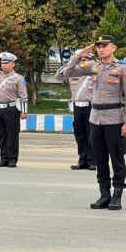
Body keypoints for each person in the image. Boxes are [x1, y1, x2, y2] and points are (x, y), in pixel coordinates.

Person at [62, 36, 126, 210]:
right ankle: (104, 195)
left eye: (104, 46)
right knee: (99, 158)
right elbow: (67, 73)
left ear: (113, 47)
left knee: (117, 158)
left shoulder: (121, 69)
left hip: (114, 119)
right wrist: (78, 55)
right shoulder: (93, 66)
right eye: (98, 46)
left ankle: (117, 195)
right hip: (95, 118)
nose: (101, 49)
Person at [0, 52, 28, 168]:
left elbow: (23, 96)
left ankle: (12, 159)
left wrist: (24, 112)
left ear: (13, 64)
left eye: (6, 63)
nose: (3, 65)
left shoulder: (18, 78)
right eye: (2, 63)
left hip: (11, 109)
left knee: (12, 135)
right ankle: (3, 158)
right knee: (1, 135)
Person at [54, 56, 95, 170]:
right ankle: (82, 160)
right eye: (80, 60)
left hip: (90, 107)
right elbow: (58, 76)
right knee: (79, 135)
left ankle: (92, 161)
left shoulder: (94, 73)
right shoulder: (73, 73)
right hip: (77, 108)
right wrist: (70, 63)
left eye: (85, 60)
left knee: (91, 135)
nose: (82, 62)